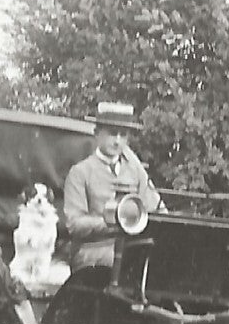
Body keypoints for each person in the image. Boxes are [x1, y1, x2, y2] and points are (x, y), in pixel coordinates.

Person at [63, 100, 163, 269]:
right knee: (122, 261)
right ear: (96, 133)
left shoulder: (135, 170)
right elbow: (74, 224)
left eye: (123, 135)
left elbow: (157, 208)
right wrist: (115, 221)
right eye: (112, 133)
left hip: (133, 247)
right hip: (93, 250)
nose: (117, 141)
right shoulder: (80, 172)